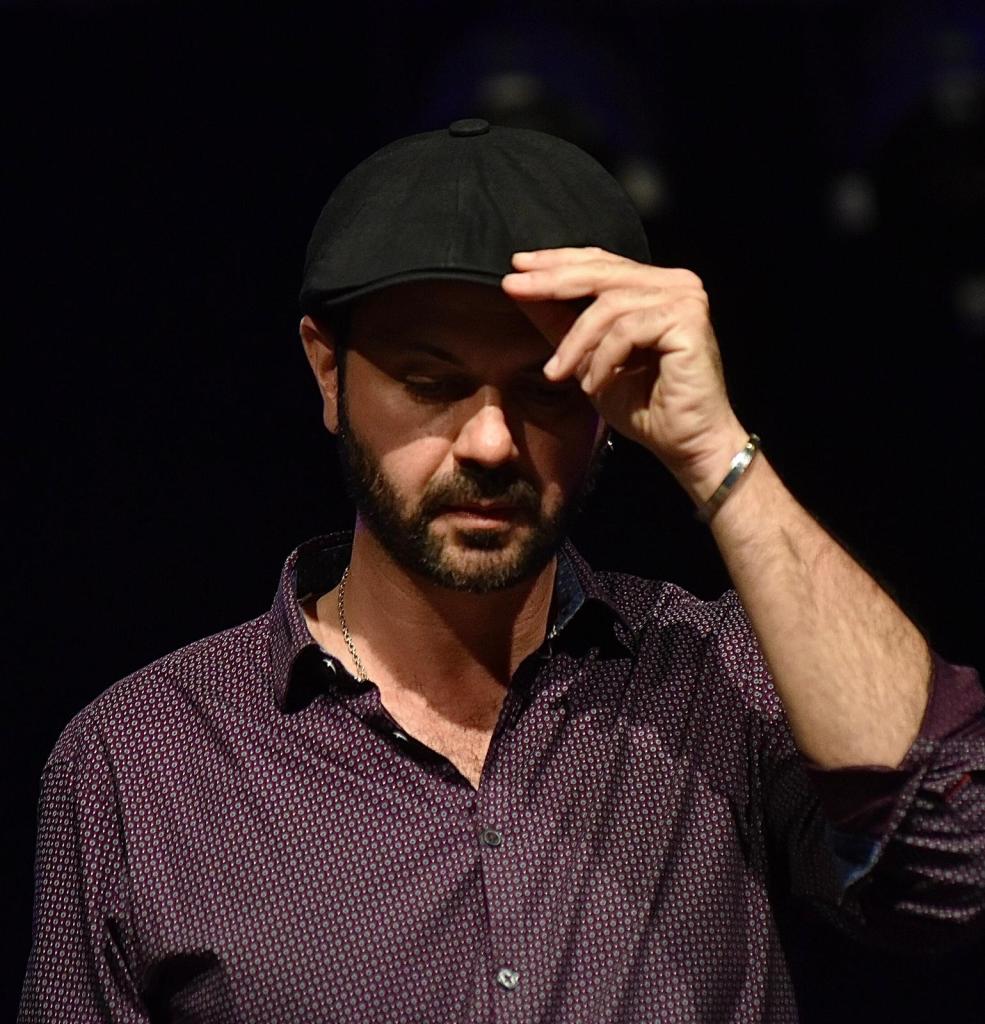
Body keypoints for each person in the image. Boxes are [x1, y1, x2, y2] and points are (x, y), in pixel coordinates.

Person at [19, 119, 985, 1024]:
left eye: (545, 388)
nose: (490, 442)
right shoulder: (140, 760)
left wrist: (714, 452)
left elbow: (951, 864)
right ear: (328, 372)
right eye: (430, 383)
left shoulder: (717, 679)